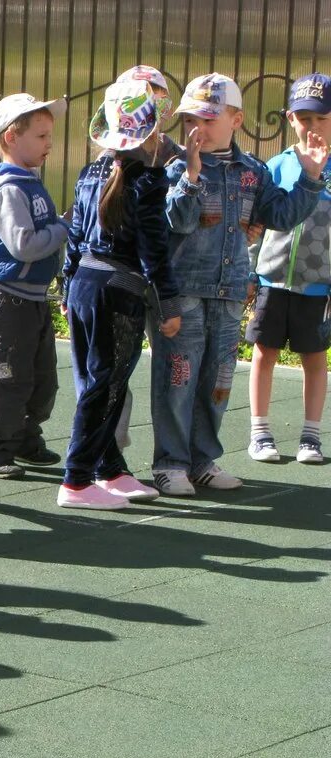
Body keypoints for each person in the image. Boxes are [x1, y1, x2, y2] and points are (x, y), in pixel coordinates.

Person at [157, 73, 327, 495]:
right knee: (179, 378)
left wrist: (309, 177)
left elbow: (281, 216)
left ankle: (202, 461)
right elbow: (174, 222)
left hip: (229, 293)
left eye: (209, 118)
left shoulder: (253, 171)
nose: (197, 127)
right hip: (187, 292)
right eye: (191, 118)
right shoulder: (178, 166)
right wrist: (192, 177)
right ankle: (170, 463)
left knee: (217, 381)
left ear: (236, 120)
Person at [59, 79, 182, 510]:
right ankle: (76, 479)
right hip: (118, 291)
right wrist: (169, 305)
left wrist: (65, 282)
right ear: (150, 133)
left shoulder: (89, 172)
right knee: (106, 384)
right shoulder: (148, 181)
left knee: (103, 381)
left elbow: (75, 236)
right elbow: (155, 250)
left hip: (84, 286)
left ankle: (106, 468)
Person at [0, 93, 69, 480]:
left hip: (32, 300)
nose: (49, 144)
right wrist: (62, 228)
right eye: (41, 136)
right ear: (11, 136)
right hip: (7, 301)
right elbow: (23, 245)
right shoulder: (9, 189)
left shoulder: (30, 182)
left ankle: (25, 436)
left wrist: (57, 226)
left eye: (49, 136)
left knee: (43, 378)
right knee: (7, 378)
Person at [248, 73, 331, 466]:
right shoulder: (276, 166)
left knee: (314, 358)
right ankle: (260, 432)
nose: (311, 126)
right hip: (271, 280)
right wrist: (249, 273)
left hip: (318, 288)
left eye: (320, 118)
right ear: (289, 118)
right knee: (264, 352)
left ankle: (310, 437)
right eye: (303, 118)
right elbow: (256, 225)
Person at [109, 65, 184, 451]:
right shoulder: (113, 156)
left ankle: (172, 455)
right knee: (116, 365)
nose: (147, 105)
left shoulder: (179, 155)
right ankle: (112, 450)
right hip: (124, 278)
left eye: (154, 96)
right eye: (137, 97)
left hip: (168, 277)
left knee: (173, 367)